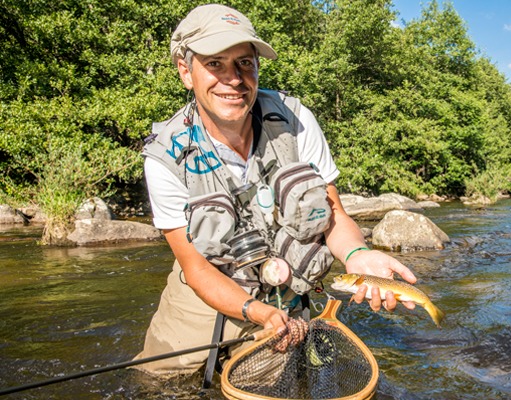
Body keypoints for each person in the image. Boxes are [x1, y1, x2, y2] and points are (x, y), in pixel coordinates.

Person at [134, 4, 416, 375]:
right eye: (215, 64)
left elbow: (334, 216)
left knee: (267, 385)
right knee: (157, 381)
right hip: (207, 283)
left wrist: (357, 254)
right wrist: (256, 311)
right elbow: (196, 268)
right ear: (186, 71)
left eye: (244, 63)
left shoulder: (295, 120)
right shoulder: (164, 155)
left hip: (287, 292)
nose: (233, 79)